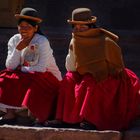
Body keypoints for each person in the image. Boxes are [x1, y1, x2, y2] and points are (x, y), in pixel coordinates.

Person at [44, 8, 140, 131]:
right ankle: (63, 118)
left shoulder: (105, 41)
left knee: (90, 82)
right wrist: (73, 49)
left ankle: (91, 119)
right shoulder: (75, 41)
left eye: (83, 27)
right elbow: (71, 67)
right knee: (68, 79)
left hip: (108, 75)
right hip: (84, 73)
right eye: (76, 27)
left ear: (90, 25)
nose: (79, 30)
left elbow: (116, 66)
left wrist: (99, 71)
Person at [0, 7, 62, 125]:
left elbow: (41, 68)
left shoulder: (42, 41)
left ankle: (36, 115)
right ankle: (10, 113)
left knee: (34, 79)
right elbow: (10, 66)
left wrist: (21, 69)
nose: (24, 30)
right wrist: (18, 49)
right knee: (5, 76)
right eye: (21, 26)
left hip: (47, 77)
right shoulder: (14, 40)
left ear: (35, 28)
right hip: (26, 74)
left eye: (28, 27)